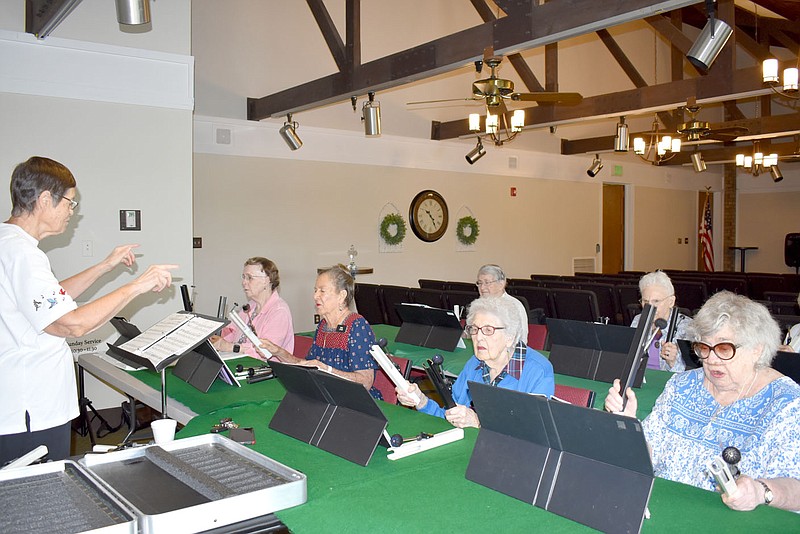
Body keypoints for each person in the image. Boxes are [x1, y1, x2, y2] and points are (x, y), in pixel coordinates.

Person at [0, 156, 177, 465]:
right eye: (70, 203)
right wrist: (137, 286)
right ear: (44, 199)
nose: (72, 211)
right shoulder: (24, 255)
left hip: (20, 406)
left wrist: (104, 267)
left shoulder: (10, 244)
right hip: (31, 412)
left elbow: (50, 299)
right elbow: (71, 324)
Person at [605, 291, 800, 512]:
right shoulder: (681, 385)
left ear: (757, 350)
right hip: (663, 507)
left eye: (724, 349)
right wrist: (629, 429)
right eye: (704, 348)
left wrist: (761, 491)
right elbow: (650, 456)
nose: (711, 360)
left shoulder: (787, 404)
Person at [397, 296, 554, 428]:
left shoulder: (537, 370)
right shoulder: (474, 364)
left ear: (510, 337)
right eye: (474, 329)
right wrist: (421, 401)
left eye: (488, 330)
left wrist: (478, 423)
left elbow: (534, 434)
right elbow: (450, 415)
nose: (478, 337)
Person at [259, 265, 381, 399]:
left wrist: (327, 370)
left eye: (322, 291)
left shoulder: (357, 326)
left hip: (356, 402)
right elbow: (308, 366)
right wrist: (278, 352)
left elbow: (366, 382)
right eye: (315, 290)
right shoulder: (323, 325)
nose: (315, 296)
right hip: (328, 396)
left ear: (341, 296)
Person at [210, 257, 294, 359]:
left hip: (267, 370)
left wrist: (230, 347)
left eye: (249, 278)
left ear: (267, 280)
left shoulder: (279, 311)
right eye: (243, 277)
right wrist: (215, 336)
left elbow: (264, 352)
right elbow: (229, 334)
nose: (244, 282)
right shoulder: (250, 307)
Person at [630, 271, 691, 372]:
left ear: (671, 301)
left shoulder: (687, 328)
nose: (650, 307)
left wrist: (672, 362)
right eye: (645, 301)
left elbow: (690, 374)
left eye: (656, 301)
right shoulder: (638, 320)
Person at [476, 264, 529, 342]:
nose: (482, 287)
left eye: (487, 283)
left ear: (501, 284)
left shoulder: (513, 306)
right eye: (480, 283)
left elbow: (520, 340)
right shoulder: (478, 304)